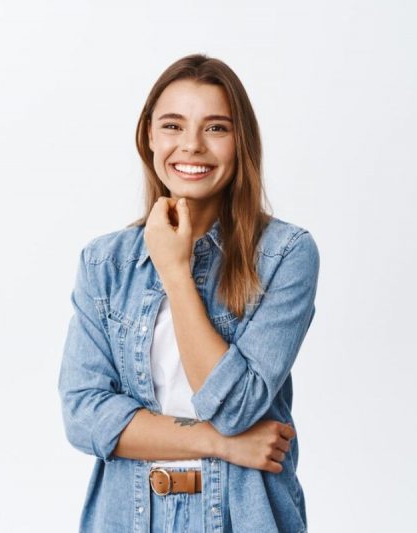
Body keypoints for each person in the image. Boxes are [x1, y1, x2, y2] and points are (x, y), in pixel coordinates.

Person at [58, 53, 320, 533]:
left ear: (241, 141)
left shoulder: (285, 255)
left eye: (216, 128)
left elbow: (237, 405)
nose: (192, 146)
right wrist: (220, 443)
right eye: (174, 126)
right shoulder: (105, 263)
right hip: (127, 518)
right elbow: (85, 416)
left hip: (243, 516)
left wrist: (176, 272)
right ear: (149, 137)